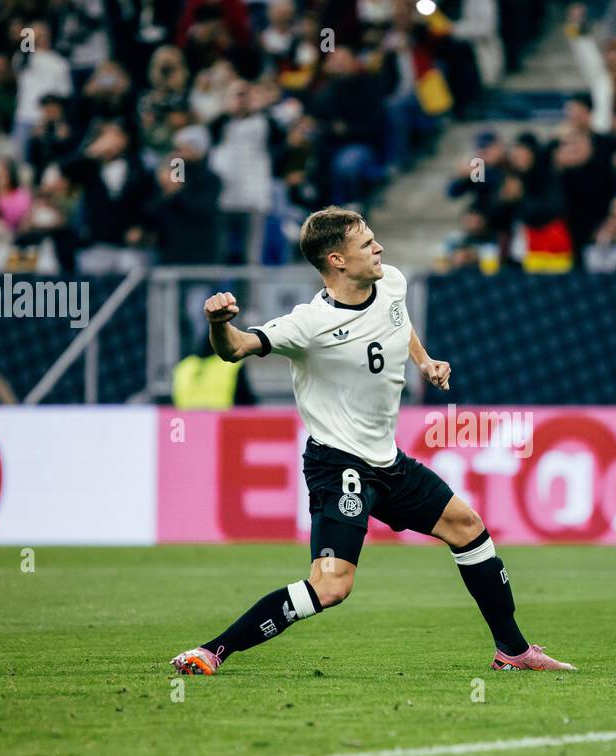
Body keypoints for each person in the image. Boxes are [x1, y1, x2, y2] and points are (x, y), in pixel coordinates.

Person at [170, 206, 575, 675]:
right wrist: (220, 324)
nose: (379, 248)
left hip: (389, 462)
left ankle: (513, 651)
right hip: (338, 464)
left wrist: (424, 362)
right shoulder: (307, 324)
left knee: (467, 526)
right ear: (337, 260)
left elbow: (399, 325)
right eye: (366, 244)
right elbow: (235, 348)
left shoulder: (393, 283)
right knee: (331, 587)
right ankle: (212, 650)